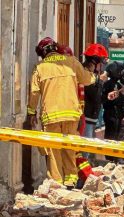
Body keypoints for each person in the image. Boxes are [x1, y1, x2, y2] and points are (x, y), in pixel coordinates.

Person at [27, 37, 97, 187]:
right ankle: (71, 182)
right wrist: (93, 76)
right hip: (71, 115)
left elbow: (34, 93)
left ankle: (56, 183)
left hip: (51, 116)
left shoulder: (40, 67)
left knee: (53, 151)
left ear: (42, 53)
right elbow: (86, 79)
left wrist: (31, 113)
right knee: (70, 148)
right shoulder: (71, 61)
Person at [81, 44, 109, 160]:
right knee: (85, 146)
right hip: (85, 116)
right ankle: (81, 172)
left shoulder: (92, 75)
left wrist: (107, 96)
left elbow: (98, 98)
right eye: (101, 63)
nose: (102, 66)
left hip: (91, 117)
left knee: (88, 145)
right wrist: (101, 82)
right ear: (95, 62)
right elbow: (93, 95)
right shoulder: (86, 75)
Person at [102, 61, 124, 161]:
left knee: (115, 136)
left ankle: (113, 156)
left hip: (116, 114)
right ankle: (110, 157)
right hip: (111, 114)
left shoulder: (118, 84)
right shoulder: (110, 84)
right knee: (111, 136)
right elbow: (108, 99)